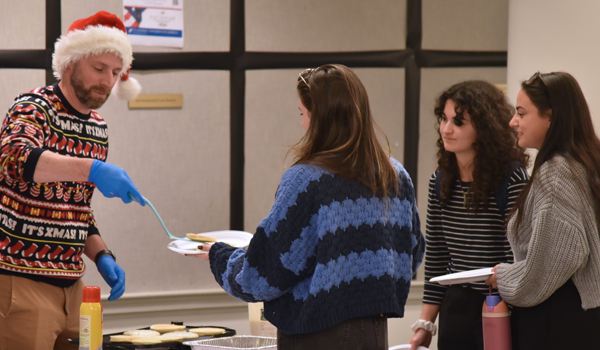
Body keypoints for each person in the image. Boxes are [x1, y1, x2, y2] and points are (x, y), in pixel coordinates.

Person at [191, 64, 425, 350]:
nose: (302, 123)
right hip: (375, 333)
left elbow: (265, 272)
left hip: (316, 337)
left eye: (303, 113)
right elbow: (411, 253)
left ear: (321, 118)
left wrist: (220, 256)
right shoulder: (396, 175)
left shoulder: (306, 181)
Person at [0, 11, 145, 350]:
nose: (108, 81)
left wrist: (101, 254)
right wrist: (92, 170)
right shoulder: (34, 106)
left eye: (114, 72)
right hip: (21, 280)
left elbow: (75, 207)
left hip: (73, 285)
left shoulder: (98, 128)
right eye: (98, 69)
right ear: (70, 63)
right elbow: (13, 158)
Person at [409, 81, 529, 350]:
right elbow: (438, 259)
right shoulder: (439, 181)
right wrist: (425, 325)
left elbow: (521, 257)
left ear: (484, 129)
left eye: (458, 122)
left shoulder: (511, 178)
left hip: (499, 303)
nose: (446, 129)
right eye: (444, 119)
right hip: (457, 304)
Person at [486, 71, 600, 349]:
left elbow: (551, 264)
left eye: (521, 114)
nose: (513, 122)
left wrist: (504, 276)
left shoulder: (558, 172)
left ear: (550, 117)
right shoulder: (587, 161)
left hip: (559, 320)